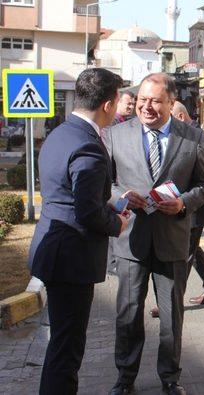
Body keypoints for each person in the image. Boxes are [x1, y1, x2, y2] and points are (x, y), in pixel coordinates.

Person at [103, 73, 204, 395]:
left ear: (170, 102)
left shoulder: (192, 138)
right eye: (141, 100)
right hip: (130, 241)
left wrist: (183, 203)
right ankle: (125, 378)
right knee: (128, 314)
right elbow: (104, 183)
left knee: (171, 318)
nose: (146, 107)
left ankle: (170, 378)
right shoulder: (116, 135)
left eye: (154, 100)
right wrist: (121, 197)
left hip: (172, 239)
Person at [28, 68, 129, 395]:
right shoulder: (88, 145)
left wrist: (110, 203)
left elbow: (72, 196)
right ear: (109, 104)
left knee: (60, 344)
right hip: (71, 259)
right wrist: (118, 222)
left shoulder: (61, 132)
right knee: (67, 350)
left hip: (53, 248)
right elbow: (86, 212)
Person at [171, 102, 204, 306]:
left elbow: (200, 177)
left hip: (195, 205)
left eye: (171, 119)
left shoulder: (197, 136)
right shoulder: (187, 134)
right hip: (186, 204)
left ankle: (172, 301)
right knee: (193, 251)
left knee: (185, 254)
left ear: (181, 116)